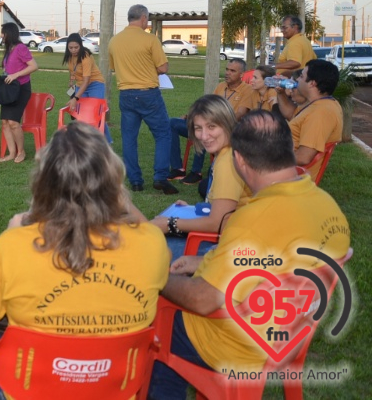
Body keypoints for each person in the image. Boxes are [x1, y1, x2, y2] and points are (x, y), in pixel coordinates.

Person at [0, 122, 169, 399]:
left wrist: (13, 236)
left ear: (43, 184)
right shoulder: (152, 243)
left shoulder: (14, 245)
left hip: (28, 390)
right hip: (114, 388)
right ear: (114, 182)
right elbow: (142, 228)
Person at [148, 111, 350, 399]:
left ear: (239, 160)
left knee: (151, 319)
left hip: (234, 344)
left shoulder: (253, 219)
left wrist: (157, 273)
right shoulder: (326, 205)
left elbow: (204, 300)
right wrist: (204, 260)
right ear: (287, 149)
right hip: (287, 332)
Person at [150, 95, 252, 261]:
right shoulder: (229, 151)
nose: (204, 136)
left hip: (230, 248)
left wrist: (169, 223)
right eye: (198, 128)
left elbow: (215, 224)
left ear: (227, 123)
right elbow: (228, 208)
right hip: (236, 238)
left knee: (148, 248)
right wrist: (193, 209)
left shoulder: (228, 160)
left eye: (211, 126)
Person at [108, 4, 176, 194]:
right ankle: (160, 177)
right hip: (148, 94)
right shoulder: (150, 39)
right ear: (144, 18)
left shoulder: (114, 41)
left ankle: (135, 181)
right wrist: (148, 69)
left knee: (129, 139)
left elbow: (115, 67)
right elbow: (163, 68)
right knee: (162, 134)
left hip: (126, 94)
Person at [169, 59, 254, 185]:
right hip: (209, 123)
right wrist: (191, 116)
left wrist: (213, 123)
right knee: (172, 123)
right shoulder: (221, 86)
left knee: (206, 130)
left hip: (228, 130)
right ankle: (178, 168)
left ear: (241, 74)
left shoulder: (247, 90)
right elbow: (207, 107)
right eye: (227, 69)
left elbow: (240, 114)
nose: (227, 73)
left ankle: (196, 172)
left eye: (232, 71)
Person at [275, 59, 342, 181]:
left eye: (301, 76)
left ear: (312, 83)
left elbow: (303, 157)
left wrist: (266, 159)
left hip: (287, 176)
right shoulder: (319, 104)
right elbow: (291, 114)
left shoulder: (320, 113)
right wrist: (281, 93)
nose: (297, 80)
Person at [0, 23, 38, 163]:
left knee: (14, 122)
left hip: (21, 89)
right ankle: (12, 152)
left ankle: (21, 152)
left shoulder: (21, 48)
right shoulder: (9, 49)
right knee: (5, 122)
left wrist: (15, 75)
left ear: (9, 33)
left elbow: (34, 66)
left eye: (3, 33)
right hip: (9, 89)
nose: (1, 35)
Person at [62, 32, 112, 143]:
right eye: (71, 48)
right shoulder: (70, 57)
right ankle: (86, 140)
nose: (73, 50)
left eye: (76, 47)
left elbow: (87, 80)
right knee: (81, 114)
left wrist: (76, 98)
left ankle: (107, 142)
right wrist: (71, 83)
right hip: (80, 84)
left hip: (95, 83)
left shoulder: (85, 56)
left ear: (81, 45)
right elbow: (72, 71)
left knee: (97, 113)